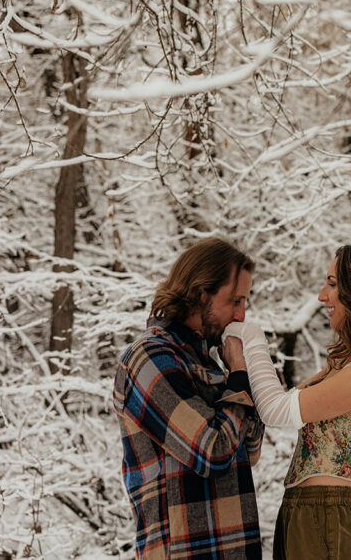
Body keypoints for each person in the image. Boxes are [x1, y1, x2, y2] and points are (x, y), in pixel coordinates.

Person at [223, 244, 351, 560]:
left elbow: (276, 411)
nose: (322, 296)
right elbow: (283, 400)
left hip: (322, 519)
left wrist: (252, 338)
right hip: (306, 516)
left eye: (333, 284)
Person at [113, 237, 265, 559]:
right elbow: (214, 451)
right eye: (235, 301)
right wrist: (237, 375)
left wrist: (245, 373)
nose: (241, 316)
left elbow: (249, 451)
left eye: (245, 303)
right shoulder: (150, 358)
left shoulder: (208, 363)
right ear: (200, 294)